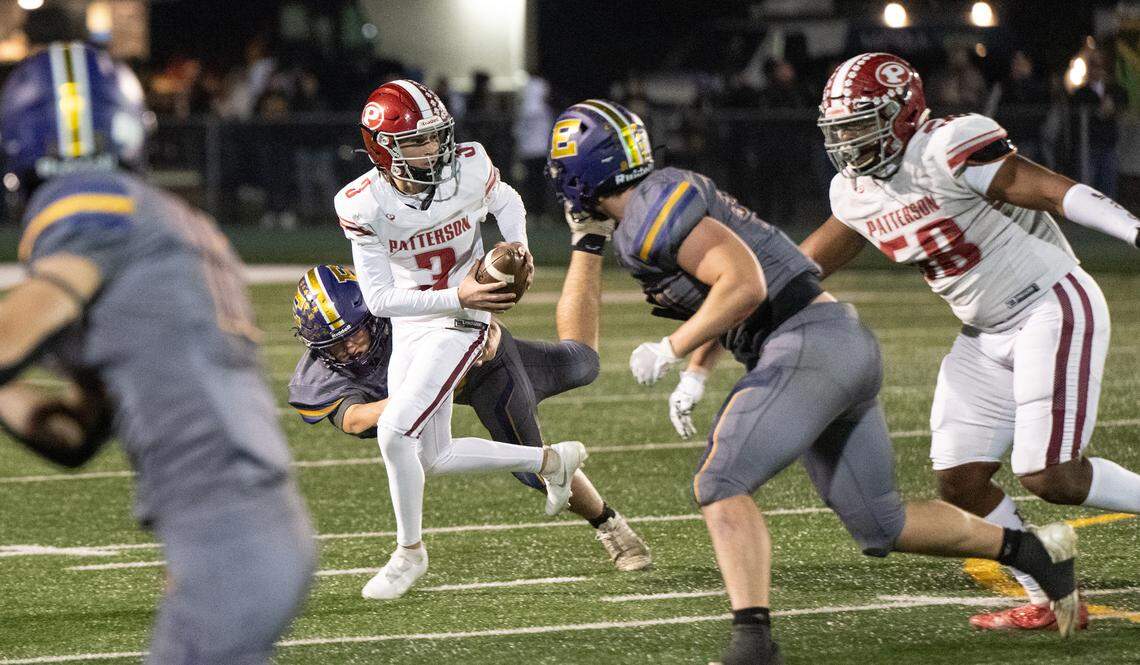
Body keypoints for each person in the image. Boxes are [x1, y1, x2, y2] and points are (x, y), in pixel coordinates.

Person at [546, 97, 1083, 665]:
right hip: (823, 347)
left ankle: (753, 645)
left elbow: (743, 285)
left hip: (807, 344)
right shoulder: (647, 212)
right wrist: (591, 247)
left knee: (721, 481)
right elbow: (603, 338)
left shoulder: (656, 206)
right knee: (882, 523)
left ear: (578, 171)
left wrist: (673, 348)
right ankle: (1034, 552)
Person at [802, 52, 1140, 631]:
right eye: (843, 128)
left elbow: (1056, 192)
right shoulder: (854, 192)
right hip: (984, 334)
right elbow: (802, 267)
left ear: (902, 114)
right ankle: (1055, 597)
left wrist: (1134, 230)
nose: (851, 140)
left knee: (1051, 475)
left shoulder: (945, 147)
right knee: (959, 482)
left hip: (1048, 304)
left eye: (863, 123)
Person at [0, 43, 315, 663]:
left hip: (227, 542)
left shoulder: (88, 202)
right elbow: (76, 433)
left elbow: (15, 334)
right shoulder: (168, 221)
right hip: (258, 532)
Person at [336, 79, 587, 600]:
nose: (435, 150)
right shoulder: (362, 204)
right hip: (416, 317)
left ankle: (410, 554)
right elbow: (381, 301)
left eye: (437, 137)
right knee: (434, 455)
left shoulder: (470, 165)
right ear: (382, 149)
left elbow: (509, 199)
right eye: (417, 142)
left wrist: (516, 247)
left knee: (394, 433)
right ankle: (550, 461)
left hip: (467, 318)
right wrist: (458, 293)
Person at [287, 264, 650, 572]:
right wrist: (416, 396)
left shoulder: (400, 304)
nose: (348, 349)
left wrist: (480, 326)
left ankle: (587, 236)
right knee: (565, 398)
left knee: (581, 371)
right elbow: (353, 419)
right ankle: (612, 526)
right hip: (443, 387)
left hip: (483, 370)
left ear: (371, 314)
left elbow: (457, 289)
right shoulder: (321, 374)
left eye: (355, 334)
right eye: (334, 345)